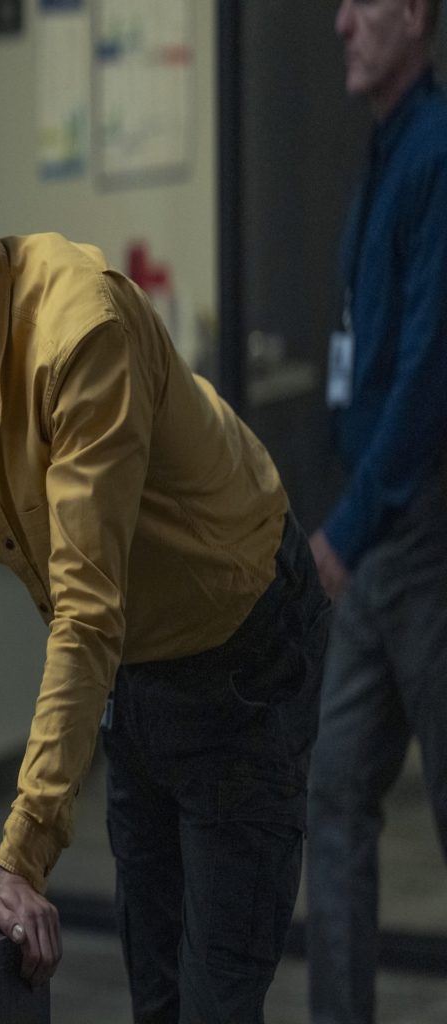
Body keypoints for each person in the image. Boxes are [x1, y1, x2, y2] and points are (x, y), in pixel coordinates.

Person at [0, 108, 329, 1020]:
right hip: (134, 667)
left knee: (219, 997)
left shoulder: (77, 332)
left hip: (244, 640)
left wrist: (20, 858)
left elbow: (85, 611)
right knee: (157, 992)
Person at [307, 2, 447, 1021]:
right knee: (336, 792)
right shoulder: (387, 147)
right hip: (376, 535)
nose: (341, 22)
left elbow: (429, 374)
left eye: (362, 4)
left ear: (415, 14)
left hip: (419, 536)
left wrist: (347, 531)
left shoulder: (436, 154)